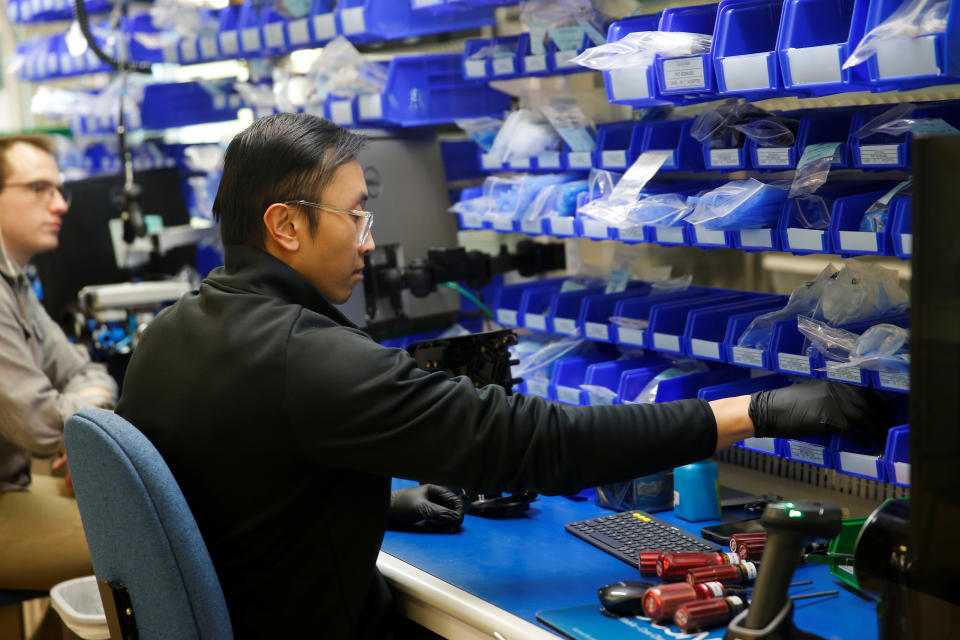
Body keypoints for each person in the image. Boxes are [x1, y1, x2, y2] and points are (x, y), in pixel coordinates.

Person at [115, 114, 892, 639]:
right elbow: (539, 444)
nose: (370, 238)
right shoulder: (305, 357)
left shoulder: (170, 334)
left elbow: (242, 476)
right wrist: (752, 411)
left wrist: (378, 496)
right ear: (286, 225)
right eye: (355, 214)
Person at [0, 134, 118, 590]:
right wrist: (86, 414)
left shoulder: (17, 280)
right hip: (8, 497)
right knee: (149, 543)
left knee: (134, 508)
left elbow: (84, 369)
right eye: (38, 188)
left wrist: (85, 407)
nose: (60, 204)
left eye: (58, 188)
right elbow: (41, 427)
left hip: (15, 484)